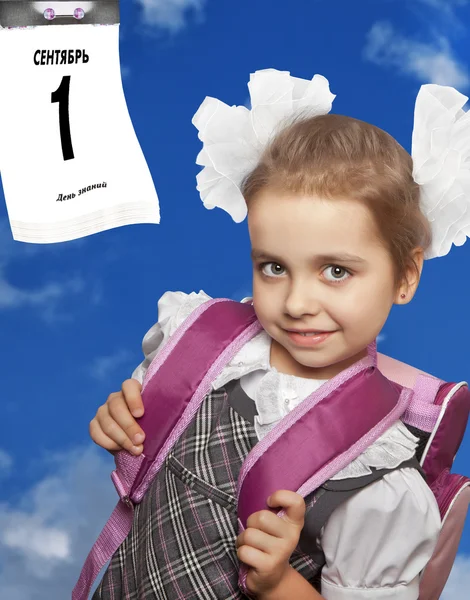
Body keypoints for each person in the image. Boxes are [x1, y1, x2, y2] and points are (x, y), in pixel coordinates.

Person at [88, 70, 469, 599]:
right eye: (273, 267)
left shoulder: (379, 479)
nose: (295, 303)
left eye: (336, 271)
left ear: (405, 275)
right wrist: (124, 430)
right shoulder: (203, 347)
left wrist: (277, 583)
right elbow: (153, 475)